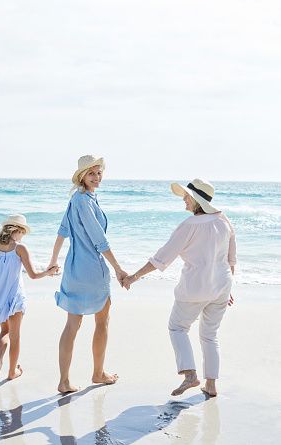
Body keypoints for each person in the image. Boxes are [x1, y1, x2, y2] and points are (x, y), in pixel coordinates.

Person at [123, 179, 236, 397]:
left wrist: (133, 277)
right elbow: (231, 259)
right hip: (222, 286)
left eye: (186, 197)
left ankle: (190, 375)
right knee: (210, 335)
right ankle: (211, 385)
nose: (183, 200)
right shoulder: (224, 221)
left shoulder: (188, 226)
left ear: (196, 200)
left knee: (177, 328)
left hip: (195, 288)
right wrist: (228, 288)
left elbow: (162, 258)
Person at [48, 155, 128, 394]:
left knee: (73, 324)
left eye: (99, 172)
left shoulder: (77, 199)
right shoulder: (85, 201)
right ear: (82, 176)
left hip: (73, 269)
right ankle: (98, 373)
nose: (96, 177)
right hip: (91, 269)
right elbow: (99, 240)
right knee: (102, 320)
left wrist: (54, 261)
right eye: (91, 173)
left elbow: (62, 231)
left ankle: (64, 381)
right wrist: (118, 268)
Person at [0, 214, 58, 380]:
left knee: (4, 331)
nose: (23, 236)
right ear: (18, 230)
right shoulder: (20, 248)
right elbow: (33, 275)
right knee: (15, 335)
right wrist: (48, 273)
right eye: (23, 232)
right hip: (15, 297)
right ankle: (12, 372)